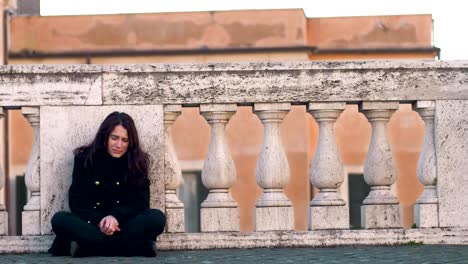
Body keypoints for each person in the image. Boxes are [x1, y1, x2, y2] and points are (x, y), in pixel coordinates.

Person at [48, 111, 166, 257]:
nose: (119, 145)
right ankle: (134, 247)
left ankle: (88, 248)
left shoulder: (138, 162)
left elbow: (140, 203)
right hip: (92, 225)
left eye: (125, 140)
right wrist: (100, 221)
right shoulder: (84, 159)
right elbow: (77, 203)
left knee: (157, 218)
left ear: (131, 142)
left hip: (124, 225)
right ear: (105, 136)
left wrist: (115, 218)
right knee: (60, 220)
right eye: (114, 138)